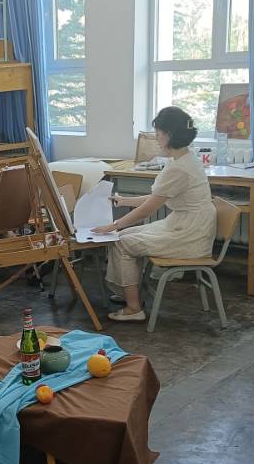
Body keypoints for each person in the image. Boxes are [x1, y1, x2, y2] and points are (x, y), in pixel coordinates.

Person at [93, 106, 217, 322]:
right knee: (123, 236)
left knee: (121, 241)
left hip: (190, 234)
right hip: (186, 224)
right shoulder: (184, 159)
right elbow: (157, 198)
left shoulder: (179, 168)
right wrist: (125, 201)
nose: (157, 138)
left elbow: (149, 209)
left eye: (158, 132)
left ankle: (133, 307)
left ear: (169, 134)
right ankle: (129, 292)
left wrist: (114, 225)